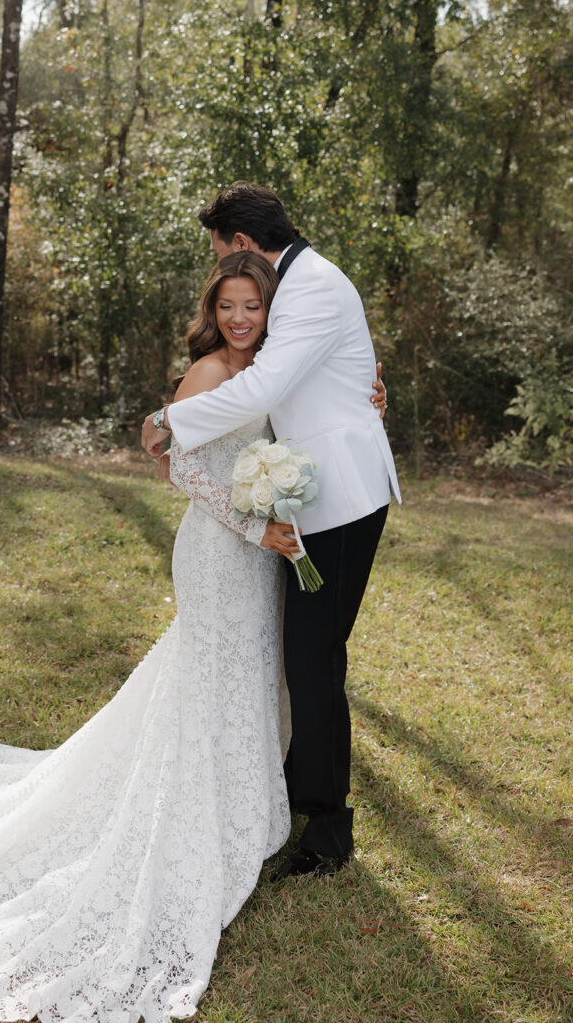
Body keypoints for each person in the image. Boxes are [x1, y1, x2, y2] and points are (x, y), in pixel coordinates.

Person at [0, 254, 293, 1023]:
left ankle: (246, 802)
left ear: (268, 312)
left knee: (248, 671)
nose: (239, 319)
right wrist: (256, 524)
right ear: (213, 309)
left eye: (251, 307)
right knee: (207, 673)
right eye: (228, 306)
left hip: (260, 559)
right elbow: (184, 472)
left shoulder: (270, 368)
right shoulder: (203, 376)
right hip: (219, 551)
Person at [142, 182, 401, 879]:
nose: (231, 282)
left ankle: (326, 826)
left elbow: (262, 390)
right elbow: (313, 377)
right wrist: (368, 390)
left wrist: (169, 423)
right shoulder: (293, 287)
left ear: (246, 244)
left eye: (224, 252)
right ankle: (287, 793)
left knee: (314, 658)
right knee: (301, 656)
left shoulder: (309, 286)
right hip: (307, 498)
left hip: (340, 499)